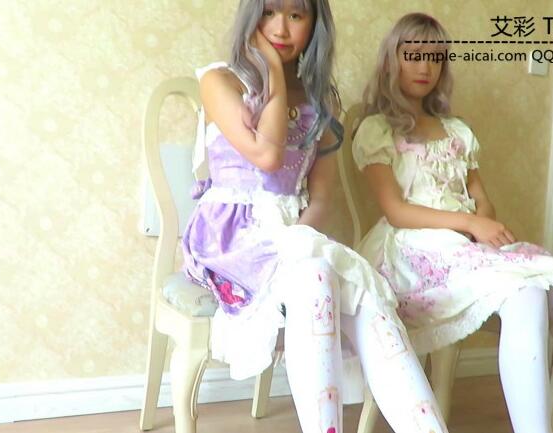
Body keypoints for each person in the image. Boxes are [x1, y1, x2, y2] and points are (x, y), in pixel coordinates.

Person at [182, 2, 448, 432]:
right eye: (269, 12)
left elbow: (321, 198)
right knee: (316, 275)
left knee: (367, 299)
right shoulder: (220, 80)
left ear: (314, 25)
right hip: (230, 238)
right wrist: (272, 71)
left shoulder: (320, 104)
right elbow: (267, 155)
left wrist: (299, 240)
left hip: (294, 235)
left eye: (296, 16)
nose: (280, 28)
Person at [353, 12, 553, 433]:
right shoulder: (377, 129)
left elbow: (482, 201)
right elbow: (396, 210)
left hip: (465, 246)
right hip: (410, 249)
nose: (425, 66)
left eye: (435, 57)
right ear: (391, 60)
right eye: (413, 55)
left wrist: (479, 225)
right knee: (525, 291)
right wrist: (470, 223)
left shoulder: (457, 131)